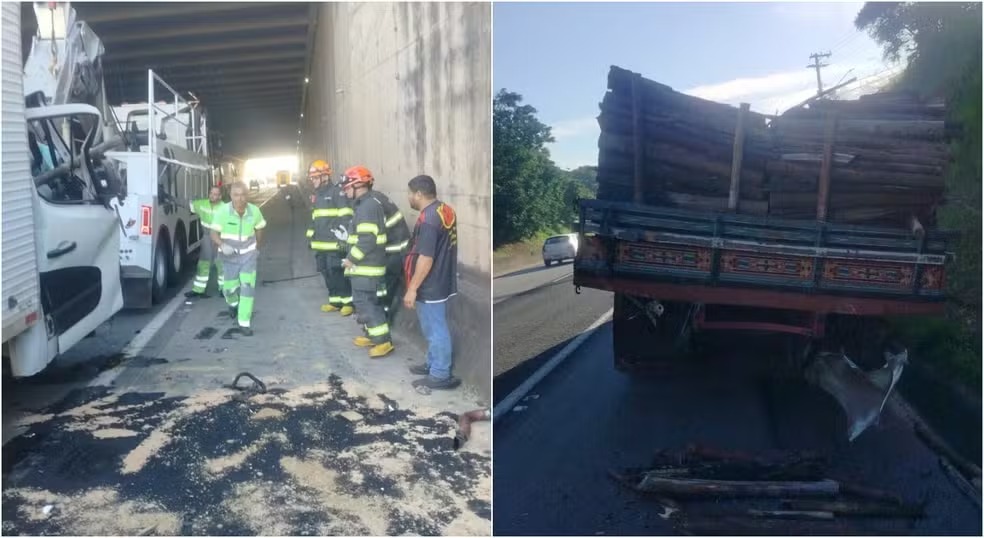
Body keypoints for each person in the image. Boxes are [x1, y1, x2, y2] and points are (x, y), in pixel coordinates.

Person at [403, 175, 460, 390]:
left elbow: (426, 258)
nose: (408, 197)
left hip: (430, 283)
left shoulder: (428, 220)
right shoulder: (444, 210)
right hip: (441, 280)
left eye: (410, 193)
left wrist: (412, 289)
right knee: (432, 327)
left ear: (419, 194)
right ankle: (432, 363)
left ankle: (440, 374)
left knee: (436, 330)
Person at [336, 165, 394, 358]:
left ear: (358, 185)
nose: (345, 192)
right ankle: (372, 335)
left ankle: (383, 342)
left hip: (367, 267)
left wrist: (351, 259)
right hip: (364, 267)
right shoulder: (364, 204)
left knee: (368, 304)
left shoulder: (368, 207)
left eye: (347, 188)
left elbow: (367, 239)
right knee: (363, 303)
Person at [208, 181, 267, 336]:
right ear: (231, 196)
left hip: (248, 256)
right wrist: (222, 244)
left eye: (243, 195)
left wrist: (256, 248)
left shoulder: (254, 211)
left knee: (247, 288)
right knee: (229, 289)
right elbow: (213, 233)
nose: (240, 199)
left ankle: (244, 323)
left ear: (247, 195)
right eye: (236, 195)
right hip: (229, 258)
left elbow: (260, 228)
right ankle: (232, 303)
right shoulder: (222, 212)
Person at [306, 159, 354, 316]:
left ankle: (347, 302)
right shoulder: (317, 195)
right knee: (325, 272)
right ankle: (335, 301)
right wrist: (310, 237)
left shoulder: (337, 193)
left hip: (334, 244)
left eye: (315, 177)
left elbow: (346, 217)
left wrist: (344, 239)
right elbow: (315, 218)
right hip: (321, 244)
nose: (312, 180)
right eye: (311, 178)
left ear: (324, 177)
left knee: (337, 272)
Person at [369, 186, 411, 318]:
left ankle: (382, 319)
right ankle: (382, 316)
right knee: (384, 289)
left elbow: (371, 236)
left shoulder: (371, 204)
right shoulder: (375, 198)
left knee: (383, 289)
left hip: (393, 253)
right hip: (396, 250)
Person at [186, 185, 225, 298]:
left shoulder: (225, 208)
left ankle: (224, 289)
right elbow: (187, 204)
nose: (213, 196)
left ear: (220, 196)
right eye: (211, 193)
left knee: (221, 264)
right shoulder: (201, 204)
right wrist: (170, 198)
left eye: (216, 194)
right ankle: (198, 290)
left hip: (220, 238)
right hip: (207, 237)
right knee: (203, 263)